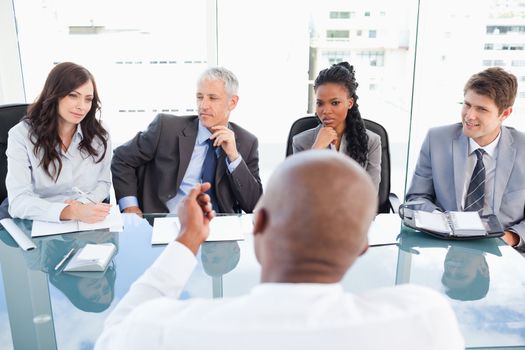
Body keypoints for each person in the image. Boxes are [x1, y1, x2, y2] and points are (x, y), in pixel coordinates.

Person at [96, 151, 464, 350]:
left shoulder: (162, 329)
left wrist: (188, 238)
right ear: (361, 248)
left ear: (258, 224)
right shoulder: (424, 320)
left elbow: (114, 335)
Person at [111, 66, 262, 214]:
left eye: (212, 98)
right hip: (166, 223)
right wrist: (130, 207)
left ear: (232, 102)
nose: (203, 105)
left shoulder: (247, 142)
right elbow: (122, 159)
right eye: (199, 97)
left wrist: (234, 157)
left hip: (219, 229)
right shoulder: (167, 128)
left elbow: (253, 204)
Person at [406, 67, 525, 252]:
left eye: (482, 109)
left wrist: (511, 237)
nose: (469, 116)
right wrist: (440, 220)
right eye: (467, 104)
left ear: (505, 114)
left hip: (500, 251)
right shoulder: (437, 139)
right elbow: (416, 198)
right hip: (445, 245)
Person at [6, 62, 112, 223]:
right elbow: (18, 201)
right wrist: (69, 211)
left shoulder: (100, 133)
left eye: (88, 99)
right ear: (54, 94)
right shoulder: (21, 135)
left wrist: (82, 207)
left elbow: (103, 183)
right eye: (73, 95)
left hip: (84, 219)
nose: (81, 107)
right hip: (38, 219)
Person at [292, 62, 381, 189]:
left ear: (350, 103)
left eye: (334, 103)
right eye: (320, 103)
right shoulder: (301, 142)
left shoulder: (371, 141)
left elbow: (371, 193)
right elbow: (298, 193)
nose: (326, 111)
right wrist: (316, 149)